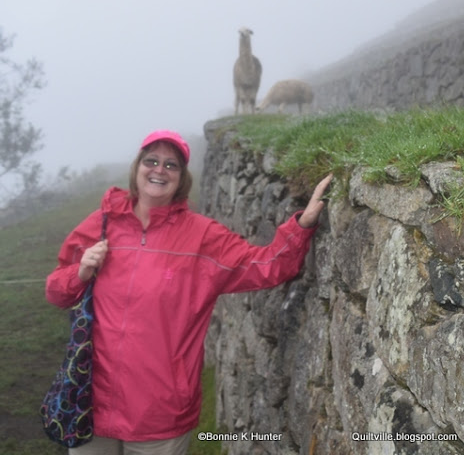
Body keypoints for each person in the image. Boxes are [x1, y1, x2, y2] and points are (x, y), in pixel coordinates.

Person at [45, 129, 332, 455]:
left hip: (159, 415)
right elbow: (56, 292)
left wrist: (302, 225)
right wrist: (80, 272)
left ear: (182, 178)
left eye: (171, 165)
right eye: (151, 161)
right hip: (91, 406)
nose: (159, 170)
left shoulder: (202, 236)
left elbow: (266, 265)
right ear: (137, 167)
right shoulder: (101, 223)